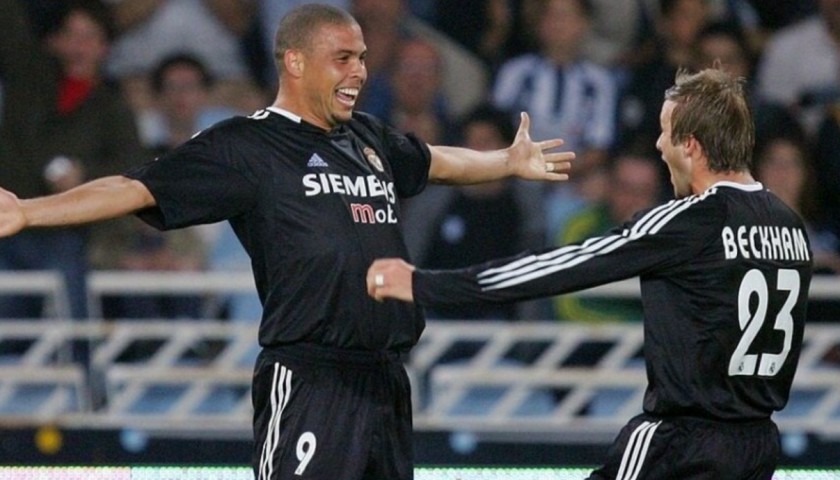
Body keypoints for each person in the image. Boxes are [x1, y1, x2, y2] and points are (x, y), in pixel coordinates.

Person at [0, 4, 573, 479]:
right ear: (295, 62)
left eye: (364, 59)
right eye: (343, 58)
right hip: (310, 380)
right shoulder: (246, 146)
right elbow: (132, 187)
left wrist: (505, 160)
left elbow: (435, 161)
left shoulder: (368, 137)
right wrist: (28, 211)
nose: (360, 73)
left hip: (386, 382)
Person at [368, 66, 813, 479]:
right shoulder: (789, 225)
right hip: (757, 443)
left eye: (664, 133)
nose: (659, 146)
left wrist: (424, 284)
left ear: (691, 144)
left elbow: (560, 267)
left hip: (681, 441)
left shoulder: (686, 222)